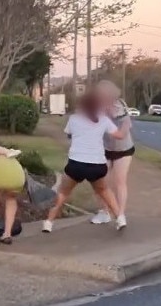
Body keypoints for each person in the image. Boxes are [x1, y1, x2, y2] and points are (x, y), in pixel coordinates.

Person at [42, 90, 131, 233]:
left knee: (63, 193)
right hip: (97, 165)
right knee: (105, 191)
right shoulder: (103, 120)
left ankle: (48, 223)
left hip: (76, 164)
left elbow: (69, 134)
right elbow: (120, 136)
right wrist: (126, 124)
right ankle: (120, 218)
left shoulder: (74, 119)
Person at [90, 80, 134, 225]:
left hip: (123, 148)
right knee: (100, 181)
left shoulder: (120, 106)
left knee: (120, 181)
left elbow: (126, 127)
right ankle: (104, 212)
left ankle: (120, 214)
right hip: (104, 148)